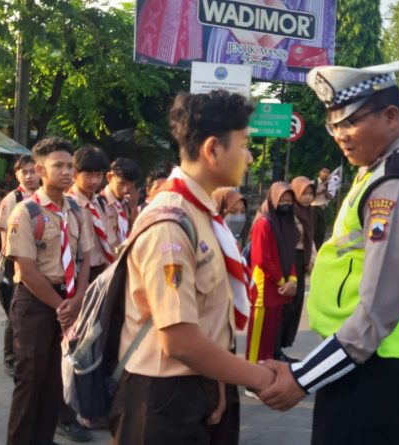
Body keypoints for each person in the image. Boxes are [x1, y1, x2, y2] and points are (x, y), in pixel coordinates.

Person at [257, 61, 399, 445]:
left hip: (373, 364)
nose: (340, 136)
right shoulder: (381, 168)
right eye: (333, 125)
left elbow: (377, 313)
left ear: (391, 116)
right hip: (366, 358)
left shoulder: (396, 183)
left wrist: (302, 378)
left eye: (349, 122)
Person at [108, 90, 275, 445]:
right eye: (244, 145)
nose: (249, 157)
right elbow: (179, 340)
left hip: (199, 381)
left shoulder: (202, 215)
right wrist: (261, 379)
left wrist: (218, 381)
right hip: (162, 400)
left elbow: (208, 319)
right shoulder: (170, 223)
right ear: (213, 149)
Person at [4, 137, 92, 445]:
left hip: (67, 299)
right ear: (40, 170)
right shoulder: (25, 212)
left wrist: (77, 300)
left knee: (55, 379)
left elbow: (85, 257)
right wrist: (60, 306)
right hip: (35, 303)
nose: (67, 172)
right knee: (30, 380)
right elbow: (27, 270)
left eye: (70, 166)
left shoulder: (76, 210)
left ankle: (43, 438)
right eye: (59, 166)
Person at [245, 182, 299, 372]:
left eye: (289, 200)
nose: (286, 203)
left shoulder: (287, 224)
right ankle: (251, 375)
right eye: (282, 199)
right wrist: (283, 282)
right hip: (264, 290)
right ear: (273, 199)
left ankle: (265, 373)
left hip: (280, 290)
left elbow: (290, 255)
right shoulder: (264, 223)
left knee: (270, 338)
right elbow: (262, 259)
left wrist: (293, 280)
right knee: (257, 341)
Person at [0, 155, 40, 377]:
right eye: (25, 172)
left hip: (38, 264)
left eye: (33, 171)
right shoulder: (13, 199)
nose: (29, 176)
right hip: (15, 264)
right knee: (15, 313)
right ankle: (10, 358)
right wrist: (16, 265)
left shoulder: (42, 198)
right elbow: (5, 239)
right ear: (17, 175)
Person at [275, 176, 316, 362]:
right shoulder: (289, 212)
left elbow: (309, 239)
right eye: (304, 193)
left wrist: (311, 258)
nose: (307, 197)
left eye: (310, 193)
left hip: (300, 261)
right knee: (285, 306)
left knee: (294, 307)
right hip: (288, 260)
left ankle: (280, 348)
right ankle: (275, 349)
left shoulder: (307, 212)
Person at [68, 146, 115, 280]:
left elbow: (110, 240)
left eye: (98, 175)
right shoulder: (69, 204)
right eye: (88, 175)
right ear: (75, 174)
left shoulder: (100, 203)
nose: (94, 181)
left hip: (102, 269)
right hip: (80, 273)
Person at [102, 158, 140, 249]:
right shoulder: (98, 204)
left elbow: (136, 234)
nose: (126, 189)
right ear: (109, 177)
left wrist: (134, 209)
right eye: (122, 183)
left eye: (132, 184)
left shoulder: (127, 204)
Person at [311, 168, 332, 249]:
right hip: (314, 208)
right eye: (324, 172)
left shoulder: (327, 184)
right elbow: (310, 195)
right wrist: (320, 192)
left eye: (328, 172)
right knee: (314, 230)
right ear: (320, 173)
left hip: (323, 208)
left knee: (321, 231)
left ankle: (318, 249)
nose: (326, 174)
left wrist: (326, 193)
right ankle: (311, 248)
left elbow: (329, 197)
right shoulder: (314, 183)